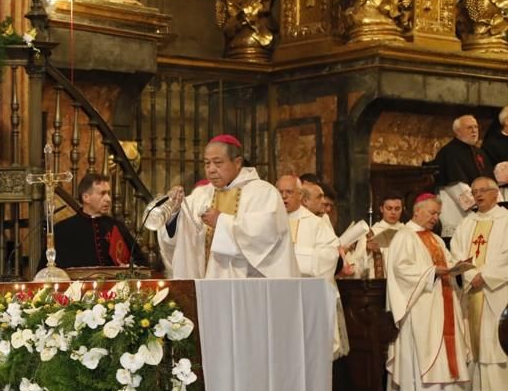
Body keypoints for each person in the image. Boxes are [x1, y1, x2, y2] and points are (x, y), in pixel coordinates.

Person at [146, 134, 297, 279]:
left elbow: (265, 237)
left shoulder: (263, 193)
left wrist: (221, 221)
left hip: (247, 285)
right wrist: (175, 212)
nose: (211, 169)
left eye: (218, 163)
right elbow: (180, 240)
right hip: (206, 284)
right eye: (207, 163)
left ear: (237, 163)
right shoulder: (201, 195)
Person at [386, 194, 471, 391]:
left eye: (438, 214)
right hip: (421, 305)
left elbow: (447, 262)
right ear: (417, 211)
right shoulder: (405, 236)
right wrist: (433, 271)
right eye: (432, 213)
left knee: (445, 344)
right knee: (427, 346)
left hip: (443, 300)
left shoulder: (436, 239)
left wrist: (456, 267)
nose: (436, 218)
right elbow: (401, 269)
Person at [450, 177, 508, 391]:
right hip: (472, 289)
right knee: (474, 338)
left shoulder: (505, 220)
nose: (479, 195)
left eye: (483, 190)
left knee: (496, 339)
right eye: (475, 192)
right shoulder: (467, 222)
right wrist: (470, 275)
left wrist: (485, 275)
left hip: (498, 290)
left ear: (496, 193)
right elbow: (455, 253)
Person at [278, 175, 346, 358]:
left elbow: (330, 257)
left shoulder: (316, 223)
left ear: (300, 195)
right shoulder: (270, 222)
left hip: (307, 301)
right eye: (280, 192)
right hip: (279, 300)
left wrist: (295, 256)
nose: (284, 196)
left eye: (289, 192)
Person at [52, 173, 146, 269]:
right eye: (102, 193)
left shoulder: (117, 226)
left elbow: (141, 261)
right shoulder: (63, 230)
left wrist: (128, 267)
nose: (108, 199)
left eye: (108, 193)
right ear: (86, 197)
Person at [429, 115, 495, 239]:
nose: (474, 130)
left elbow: (490, 182)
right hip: (458, 213)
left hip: (482, 211)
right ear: (458, 132)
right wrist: (481, 205)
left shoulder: (479, 153)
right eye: (469, 128)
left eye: (476, 127)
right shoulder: (449, 153)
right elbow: (456, 186)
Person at [347, 194, 406, 279]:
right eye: (389, 208)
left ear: (402, 210)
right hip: (378, 286)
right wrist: (367, 250)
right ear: (382, 209)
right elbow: (357, 265)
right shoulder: (369, 234)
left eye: (397, 209)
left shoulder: (408, 232)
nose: (393, 212)